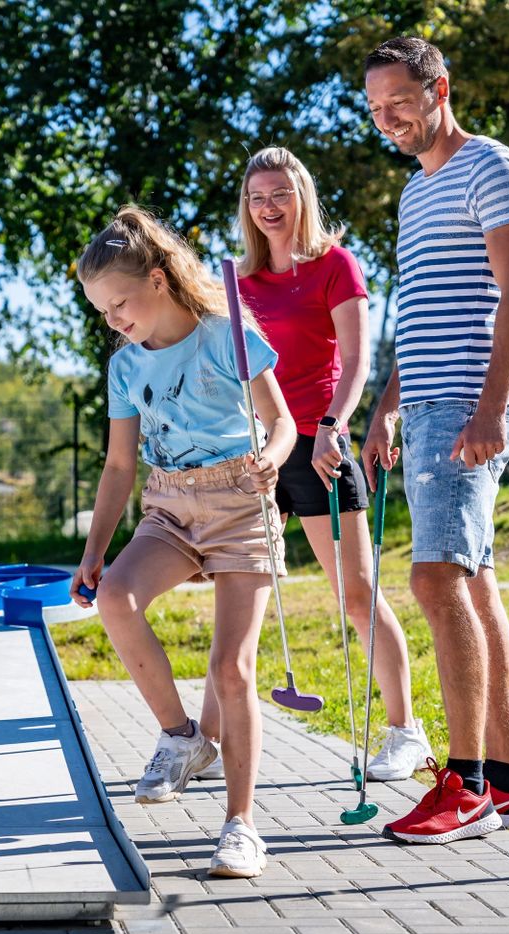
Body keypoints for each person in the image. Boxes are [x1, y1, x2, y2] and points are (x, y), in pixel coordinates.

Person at [191, 146, 430, 785]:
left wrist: (331, 427)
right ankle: (205, 741)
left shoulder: (335, 266)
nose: (269, 208)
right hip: (254, 454)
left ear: (301, 196)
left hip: (319, 446)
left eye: (280, 194)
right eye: (257, 197)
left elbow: (354, 363)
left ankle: (405, 732)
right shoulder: (233, 284)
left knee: (356, 595)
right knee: (235, 603)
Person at [69, 205, 295, 879]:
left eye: (120, 303)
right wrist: (93, 551)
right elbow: (118, 468)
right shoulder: (124, 367)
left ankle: (241, 825)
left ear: (160, 280)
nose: (114, 320)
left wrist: (274, 459)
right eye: (102, 311)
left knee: (231, 671)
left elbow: (280, 422)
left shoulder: (228, 335)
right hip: (168, 503)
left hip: (239, 503)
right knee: (114, 598)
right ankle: (181, 739)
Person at [362, 36, 509, 843]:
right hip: (428, 405)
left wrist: (491, 409)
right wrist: (386, 405)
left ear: (441, 88)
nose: (388, 118)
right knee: (472, 586)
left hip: (469, 409)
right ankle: (507, 783)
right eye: (375, 108)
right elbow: (424, 316)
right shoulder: (414, 193)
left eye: (400, 101)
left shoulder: (492, 166)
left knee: (436, 582)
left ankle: (463, 787)